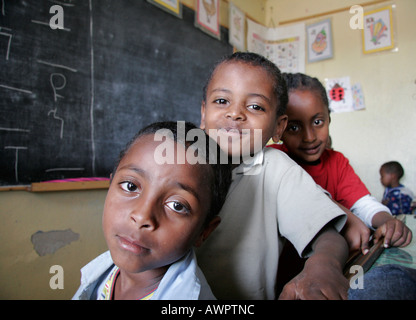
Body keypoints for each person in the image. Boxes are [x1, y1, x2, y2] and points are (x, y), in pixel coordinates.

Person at [196, 51, 349, 300]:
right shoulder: (180, 159)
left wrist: (322, 267)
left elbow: (329, 237)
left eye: (255, 106)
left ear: (279, 127)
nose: (235, 114)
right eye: (222, 101)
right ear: (204, 113)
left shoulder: (277, 170)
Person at [73, 121, 232, 300]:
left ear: (204, 231)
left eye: (177, 206)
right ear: (110, 186)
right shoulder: (103, 275)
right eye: (130, 186)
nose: (141, 216)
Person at [268, 72, 412, 252]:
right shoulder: (272, 160)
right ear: (279, 128)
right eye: (294, 127)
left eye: (318, 122)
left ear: (329, 118)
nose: (309, 137)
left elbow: (363, 205)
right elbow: (306, 196)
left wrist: (388, 222)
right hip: (285, 273)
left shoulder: (337, 162)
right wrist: (348, 218)